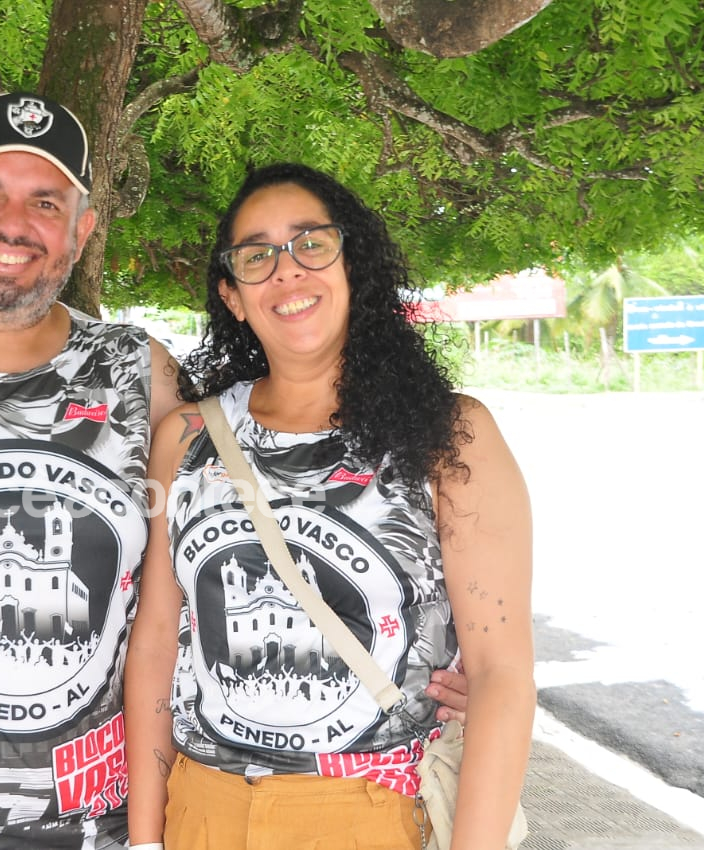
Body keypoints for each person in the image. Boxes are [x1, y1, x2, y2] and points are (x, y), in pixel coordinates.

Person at [0, 97, 469, 850]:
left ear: (82, 231)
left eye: (46, 202)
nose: (13, 223)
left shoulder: (137, 372)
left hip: (97, 826)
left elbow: (266, 515)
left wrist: (441, 657)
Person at [123, 163, 533, 850]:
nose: (287, 270)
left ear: (353, 265)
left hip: (375, 816)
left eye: (311, 244)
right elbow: (159, 642)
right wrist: (144, 839)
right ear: (232, 295)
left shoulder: (450, 435)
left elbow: (501, 676)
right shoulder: (187, 439)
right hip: (202, 813)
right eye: (257, 255)